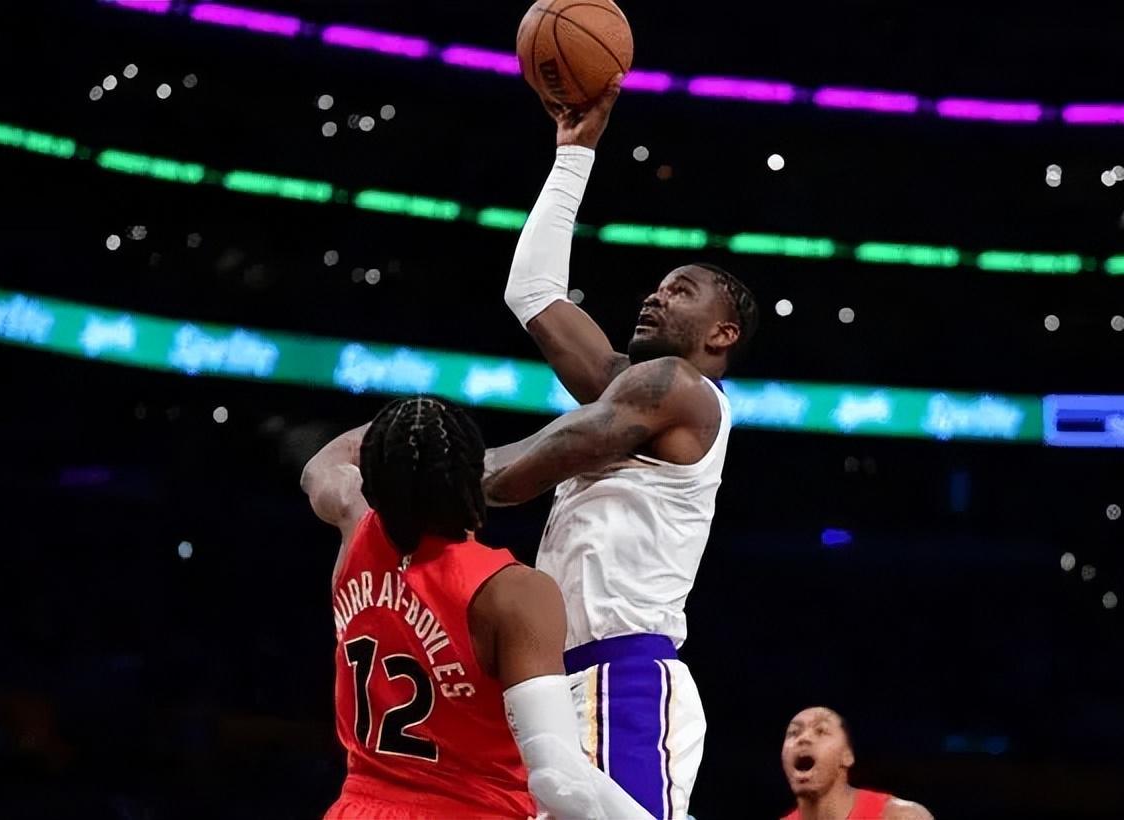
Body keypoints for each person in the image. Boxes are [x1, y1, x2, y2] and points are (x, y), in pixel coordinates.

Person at [483, 77, 760, 819]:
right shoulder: (631, 390)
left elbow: (513, 478)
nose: (655, 295)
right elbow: (532, 293)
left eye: (681, 290)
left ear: (722, 334)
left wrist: (427, 471)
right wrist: (573, 155)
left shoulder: (680, 389)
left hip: (621, 680)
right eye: (659, 286)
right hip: (559, 685)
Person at [301, 396, 651, 819]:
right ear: (475, 477)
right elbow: (559, 778)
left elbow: (319, 466)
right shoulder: (511, 593)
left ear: (373, 484)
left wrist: (403, 429)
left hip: (357, 809)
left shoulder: (354, 524)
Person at [780, 707, 933, 820]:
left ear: (847, 756)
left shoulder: (900, 816)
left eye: (821, 731)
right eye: (793, 732)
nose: (803, 739)